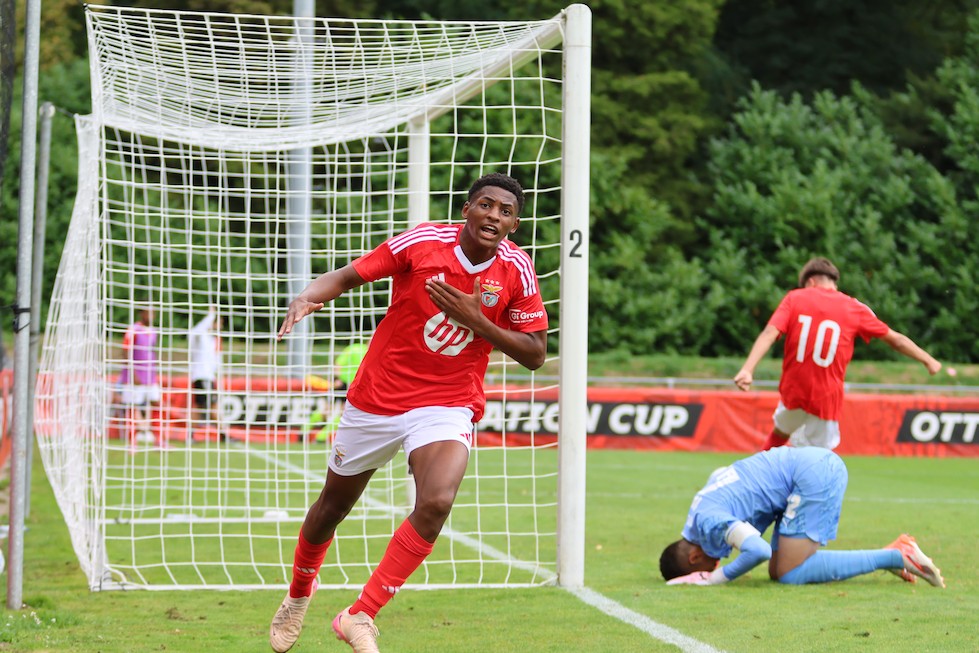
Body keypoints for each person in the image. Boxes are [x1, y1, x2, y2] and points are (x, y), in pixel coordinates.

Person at [269, 173, 548, 653]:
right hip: (378, 396)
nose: (494, 216)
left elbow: (536, 353)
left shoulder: (516, 269)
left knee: (436, 502)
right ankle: (298, 594)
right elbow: (348, 276)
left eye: (506, 212)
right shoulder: (423, 242)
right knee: (332, 507)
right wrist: (307, 296)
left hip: (447, 402)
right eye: (486, 205)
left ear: (514, 226)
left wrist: (478, 321)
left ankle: (360, 614)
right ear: (466, 209)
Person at [659, 446, 945, 588]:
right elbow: (720, 473)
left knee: (789, 574)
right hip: (804, 466)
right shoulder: (699, 511)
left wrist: (715, 578)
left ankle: (897, 556)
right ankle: (893, 554)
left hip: (813, 475)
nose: (718, 562)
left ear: (695, 558)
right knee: (777, 571)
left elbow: (757, 550)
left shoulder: (709, 522)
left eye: (709, 565)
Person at [733, 257, 942, 450]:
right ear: (833, 282)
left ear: (810, 282)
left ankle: (757, 475)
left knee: (779, 434)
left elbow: (770, 333)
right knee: (819, 459)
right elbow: (896, 340)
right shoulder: (854, 308)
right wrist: (928, 360)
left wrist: (747, 369)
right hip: (826, 398)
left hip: (793, 391)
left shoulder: (794, 298)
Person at [302, 342, 368, 444]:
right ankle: (304, 432)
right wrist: (336, 378)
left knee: (342, 412)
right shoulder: (355, 348)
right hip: (343, 383)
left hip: (352, 386)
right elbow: (338, 364)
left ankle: (319, 437)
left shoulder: (365, 351)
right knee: (328, 410)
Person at [117, 307, 160, 445]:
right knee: (132, 406)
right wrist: (132, 372)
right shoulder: (133, 329)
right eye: (149, 312)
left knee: (156, 403)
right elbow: (125, 351)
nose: (152, 315)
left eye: (154, 312)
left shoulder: (153, 331)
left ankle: (159, 439)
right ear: (142, 313)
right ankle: (132, 441)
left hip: (150, 377)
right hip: (135, 377)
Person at [189, 307, 227, 442]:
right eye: (219, 323)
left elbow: (216, 361)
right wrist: (211, 315)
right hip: (201, 376)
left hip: (209, 377)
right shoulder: (201, 336)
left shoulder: (214, 340)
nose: (220, 327)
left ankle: (191, 435)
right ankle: (223, 434)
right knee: (211, 406)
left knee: (202, 407)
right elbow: (196, 330)